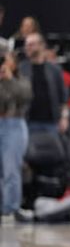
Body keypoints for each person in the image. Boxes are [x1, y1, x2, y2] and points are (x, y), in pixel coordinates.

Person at [0, 51, 31, 222]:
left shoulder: (21, 80)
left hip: (13, 125)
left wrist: (9, 79)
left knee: (11, 169)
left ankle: (10, 210)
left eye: (6, 60)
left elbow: (25, 97)